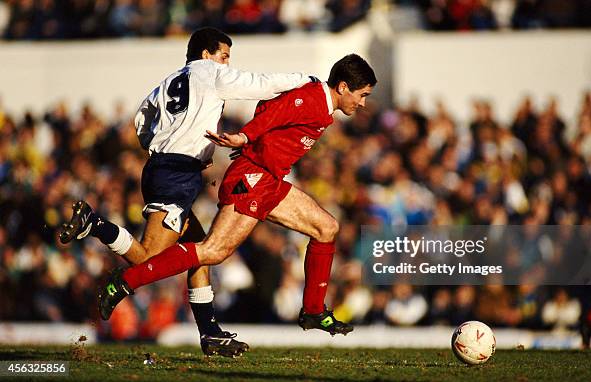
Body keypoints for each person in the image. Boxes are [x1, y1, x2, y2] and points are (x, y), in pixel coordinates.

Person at [59, 27, 315, 357]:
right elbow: (261, 84)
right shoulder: (210, 72)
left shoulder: (169, 81)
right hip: (177, 174)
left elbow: (141, 121)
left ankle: (209, 332)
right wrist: (307, 80)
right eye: (224, 55)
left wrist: (167, 146)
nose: (227, 62)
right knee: (150, 259)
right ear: (206, 55)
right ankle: (95, 225)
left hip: (161, 167)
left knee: (199, 250)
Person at [97, 53, 377, 336]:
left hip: (269, 179)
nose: (363, 103)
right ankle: (125, 282)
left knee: (326, 227)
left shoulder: (319, 101)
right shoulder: (313, 99)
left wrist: (254, 143)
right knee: (213, 251)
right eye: (362, 95)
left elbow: (268, 104)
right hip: (252, 178)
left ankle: (314, 311)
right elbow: (276, 111)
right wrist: (246, 138)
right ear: (343, 87)